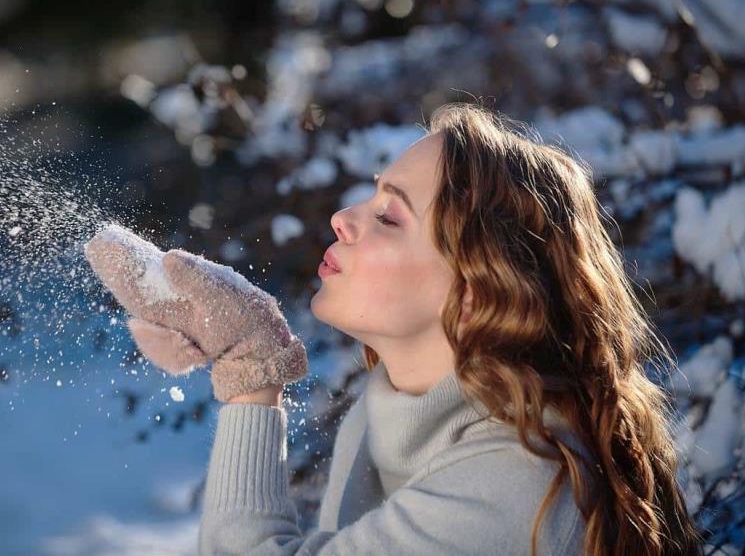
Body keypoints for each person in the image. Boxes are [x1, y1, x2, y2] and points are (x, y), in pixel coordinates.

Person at [85, 101, 704, 555]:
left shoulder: (518, 486)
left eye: (388, 216)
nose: (343, 217)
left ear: (474, 292)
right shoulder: (392, 414)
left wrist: (252, 370)